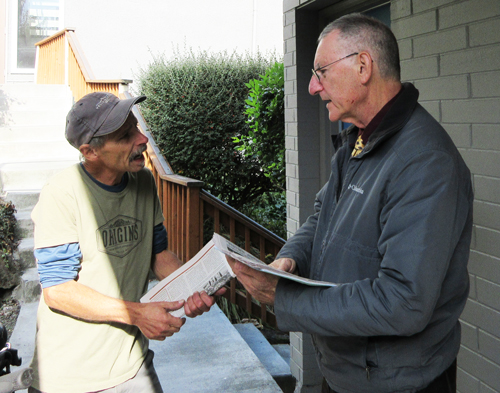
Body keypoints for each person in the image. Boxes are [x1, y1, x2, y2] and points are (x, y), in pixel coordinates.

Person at [229, 13, 473, 393]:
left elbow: (403, 302)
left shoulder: (426, 162)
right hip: (348, 375)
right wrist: (289, 259)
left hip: (397, 383)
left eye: (320, 72)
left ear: (363, 67)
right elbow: (320, 218)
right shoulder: (357, 142)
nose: (312, 86)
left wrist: (284, 297)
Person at [29, 92, 223, 393]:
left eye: (137, 127)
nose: (142, 138)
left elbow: (157, 255)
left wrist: (194, 285)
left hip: (133, 365)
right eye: (125, 135)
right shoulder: (61, 193)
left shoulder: (144, 181)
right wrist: (137, 313)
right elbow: (58, 290)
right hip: (70, 376)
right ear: (90, 152)